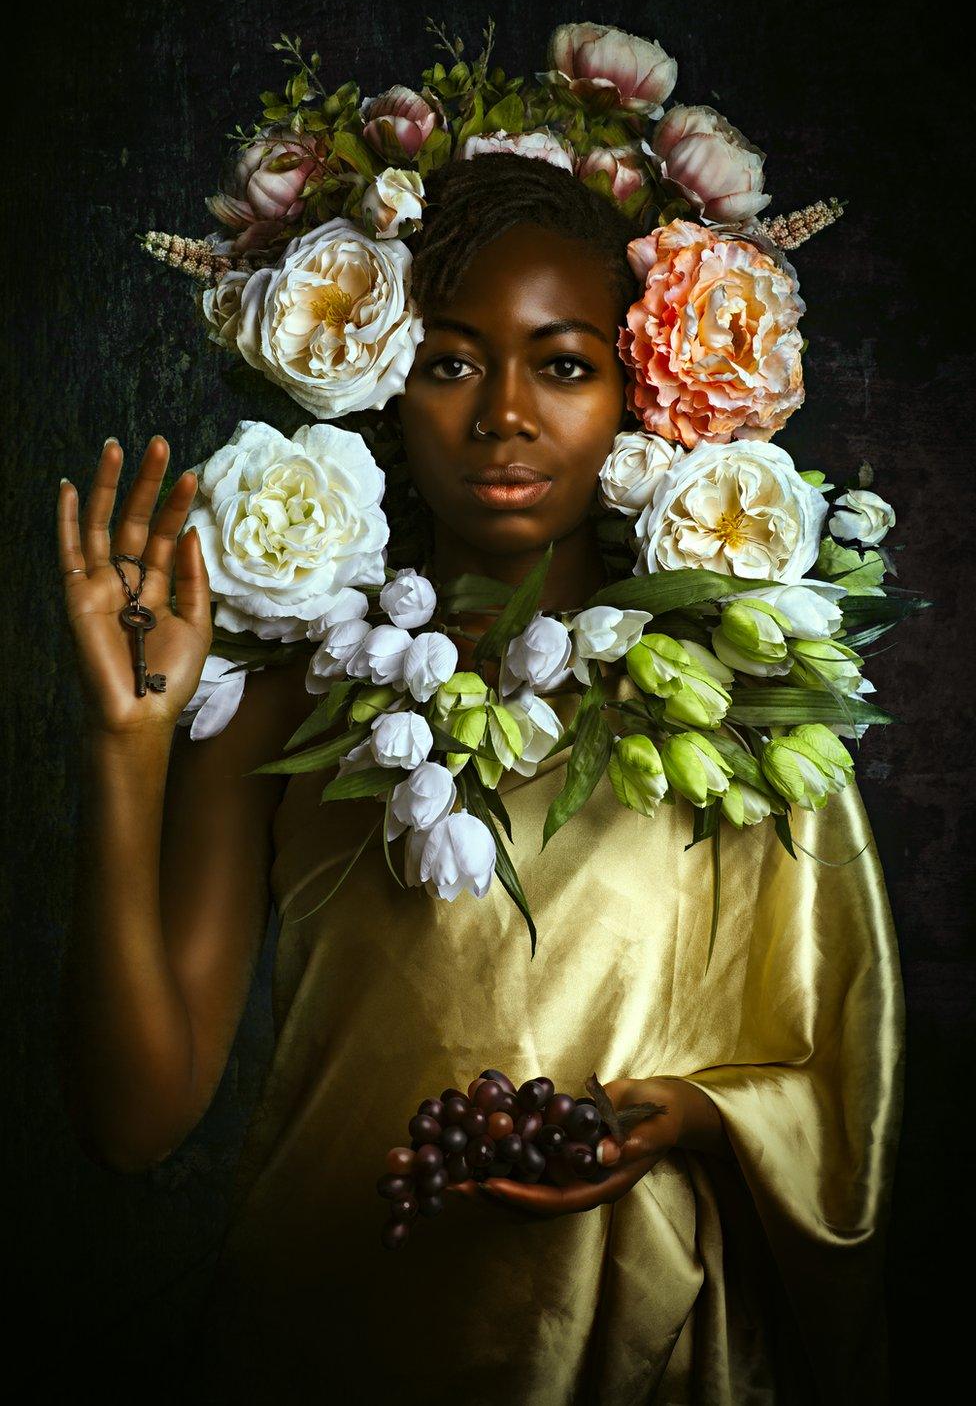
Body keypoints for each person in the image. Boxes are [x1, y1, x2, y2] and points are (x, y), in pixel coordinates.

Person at [56, 154, 903, 1404]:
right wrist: (129, 749)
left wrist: (696, 1114)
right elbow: (136, 1121)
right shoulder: (283, 699)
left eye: (563, 364)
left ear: (639, 399)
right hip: (321, 1338)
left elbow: (834, 1075)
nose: (505, 413)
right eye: (452, 362)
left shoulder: (727, 706)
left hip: (628, 1354)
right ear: (385, 388)